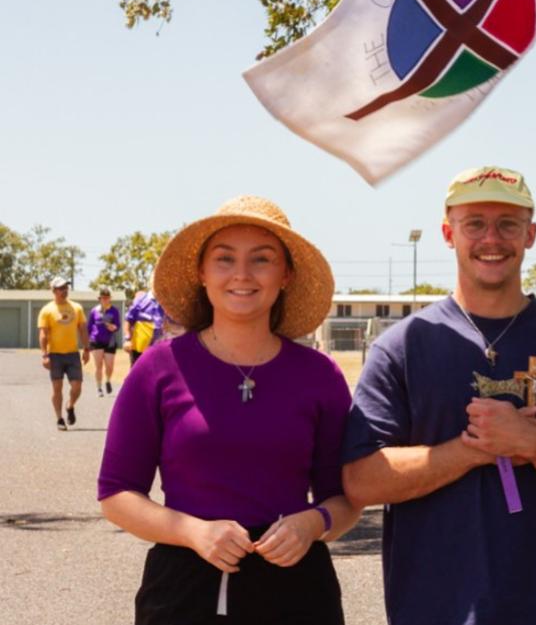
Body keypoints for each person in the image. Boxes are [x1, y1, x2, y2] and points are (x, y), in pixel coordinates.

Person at [342, 166, 536, 625]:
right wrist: (471, 450)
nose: (491, 238)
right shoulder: (403, 347)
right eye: (474, 223)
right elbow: (362, 480)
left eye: (508, 224)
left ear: (530, 234)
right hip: (433, 607)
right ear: (447, 232)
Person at [98, 196, 359, 624]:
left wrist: (312, 524)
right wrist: (195, 532)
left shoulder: (319, 375)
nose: (241, 274)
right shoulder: (159, 368)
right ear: (202, 273)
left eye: (262, 259)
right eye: (224, 259)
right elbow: (116, 494)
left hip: (297, 592)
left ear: (286, 275)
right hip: (182, 591)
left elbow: (345, 498)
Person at [38, 276, 90, 431]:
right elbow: (43, 334)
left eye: (66, 288)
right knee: (57, 388)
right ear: (53, 291)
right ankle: (60, 418)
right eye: (61, 288)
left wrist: (87, 349)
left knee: (77, 386)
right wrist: (45, 355)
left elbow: (82, 329)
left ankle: (70, 405)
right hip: (55, 355)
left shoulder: (77, 308)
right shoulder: (47, 310)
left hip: (72, 354)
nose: (64, 291)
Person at [88, 287, 121, 396]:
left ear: (110, 298)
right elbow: (89, 326)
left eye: (107, 298)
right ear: (100, 299)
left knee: (109, 366)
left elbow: (118, 325)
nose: (105, 300)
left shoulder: (114, 311)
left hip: (110, 341)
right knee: (99, 365)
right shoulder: (94, 311)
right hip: (96, 340)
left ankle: (107, 380)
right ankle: (99, 388)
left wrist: (113, 327)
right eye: (103, 298)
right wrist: (88, 340)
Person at [123, 284, 165, 367]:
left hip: (159, 350)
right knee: (137, 377)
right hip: (139, 350)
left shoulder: (167, 302)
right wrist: (127, 339)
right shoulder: (140, 300)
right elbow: (128, 320)